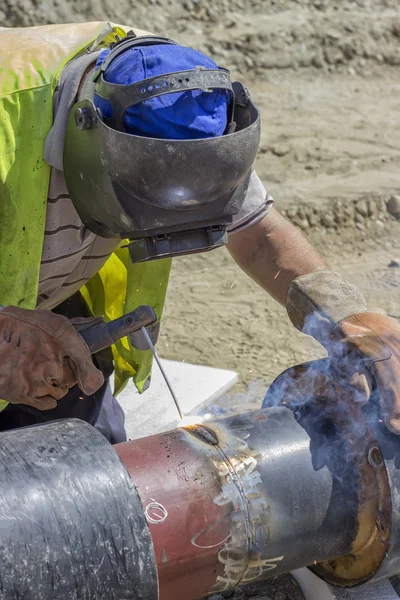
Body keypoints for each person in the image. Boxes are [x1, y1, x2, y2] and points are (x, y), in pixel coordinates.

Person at [0, 22, 399, 444]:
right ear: (89, 134)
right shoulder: (18, 130)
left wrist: (353, 322)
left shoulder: (174, 103)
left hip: (45, 301)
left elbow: (261, 240)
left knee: (99, 472)